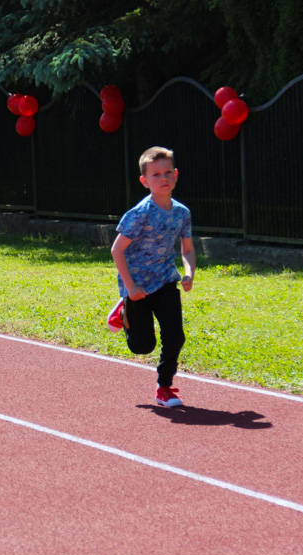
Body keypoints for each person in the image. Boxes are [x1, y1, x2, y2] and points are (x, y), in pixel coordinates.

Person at [109, 146, 196, 408]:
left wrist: (189, 272)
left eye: (168, 172)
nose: (164, 178)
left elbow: (188, 249)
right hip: (137, 286)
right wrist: (130, 285)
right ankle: (125, 310)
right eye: (156, 174)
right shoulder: (140, 213)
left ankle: (165, 387)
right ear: (145, 181)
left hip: (166, 281)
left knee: (175, 336)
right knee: (142, 346)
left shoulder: (182, 213)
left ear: (176, 175)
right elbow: (117, 250)